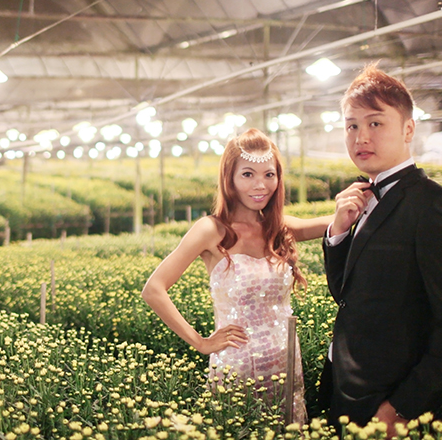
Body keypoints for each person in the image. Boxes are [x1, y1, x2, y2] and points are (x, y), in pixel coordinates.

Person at [321, 64, 442, 435]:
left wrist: (402, 408)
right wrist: (338, 232)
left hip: (388, 404)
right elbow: (345, 296)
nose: (361, 137)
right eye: (352, 125)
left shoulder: (436, 207)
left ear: (408, 129)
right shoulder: (360, 198)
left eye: (375, 123)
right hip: (344, 389)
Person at [142, 128, 333, 424]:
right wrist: (201, 342)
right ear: (229, 178)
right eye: (247, 174)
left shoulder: (279, 226)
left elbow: (334, 223)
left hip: (286, 364)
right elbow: (153, 289)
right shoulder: (211, 230)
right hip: (238, 367)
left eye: (269, 174)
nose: (260, 184)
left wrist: (366, 197)